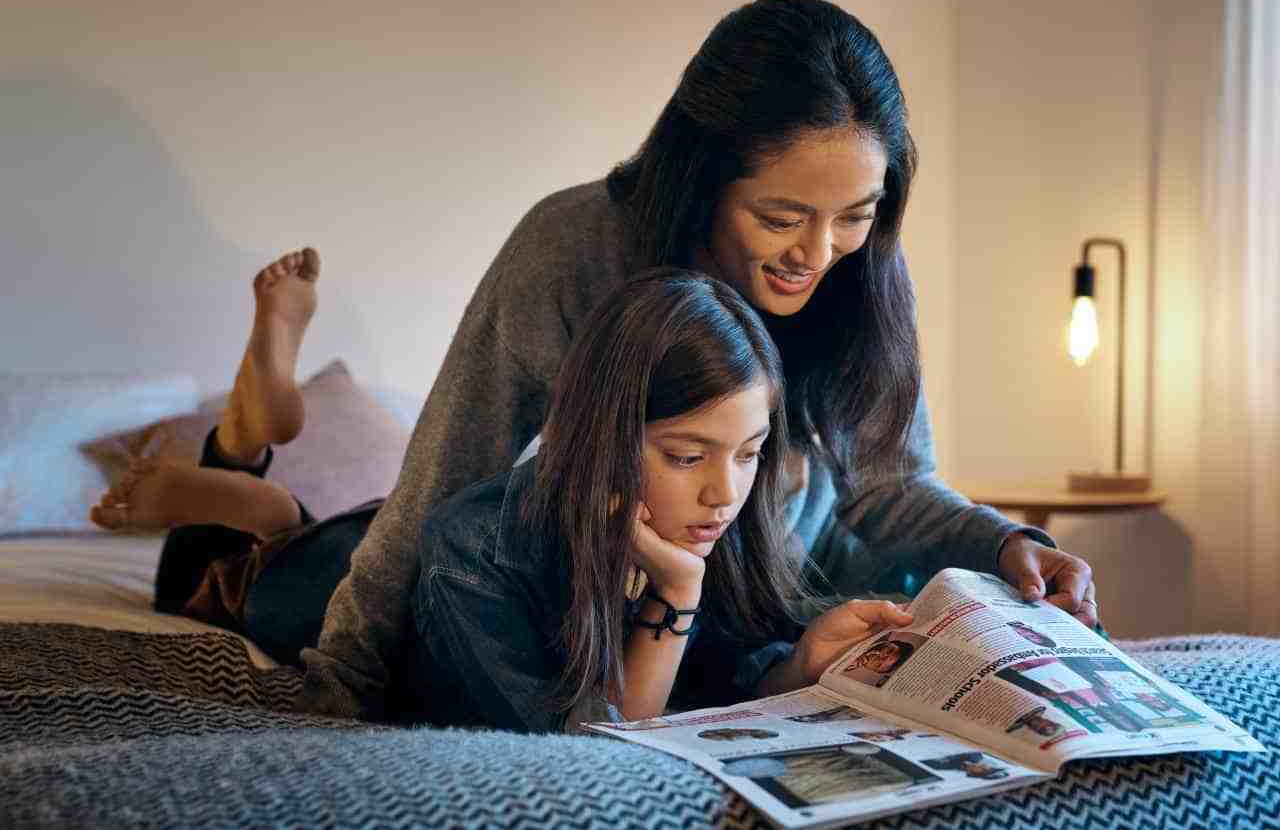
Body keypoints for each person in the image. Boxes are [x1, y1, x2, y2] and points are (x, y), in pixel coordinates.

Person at [240, 0, 1103, 720]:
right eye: (780, 217)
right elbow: (445, 481)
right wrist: (339, 692)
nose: (818, 252)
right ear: (703, 179)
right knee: (314, 575)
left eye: (855, 214)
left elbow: (889, 484)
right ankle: (243, 501)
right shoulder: (571, 249)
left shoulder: (859, 267)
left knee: (891, 591)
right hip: (586, 566)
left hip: (749, 587)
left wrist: (1006, 543)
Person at [93, 259, 920, 730]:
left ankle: (262, 486)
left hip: (378, 528)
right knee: (211, 579)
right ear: (601, 432)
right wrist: (673, 593)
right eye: (685, 454)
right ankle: (245, 484)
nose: (723, 491)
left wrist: (798, 666)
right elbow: (589, 743)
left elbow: (723, 668)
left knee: (291, 525)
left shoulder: (715, 515)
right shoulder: (474, 550)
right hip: (324, 584)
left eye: (747, 453)